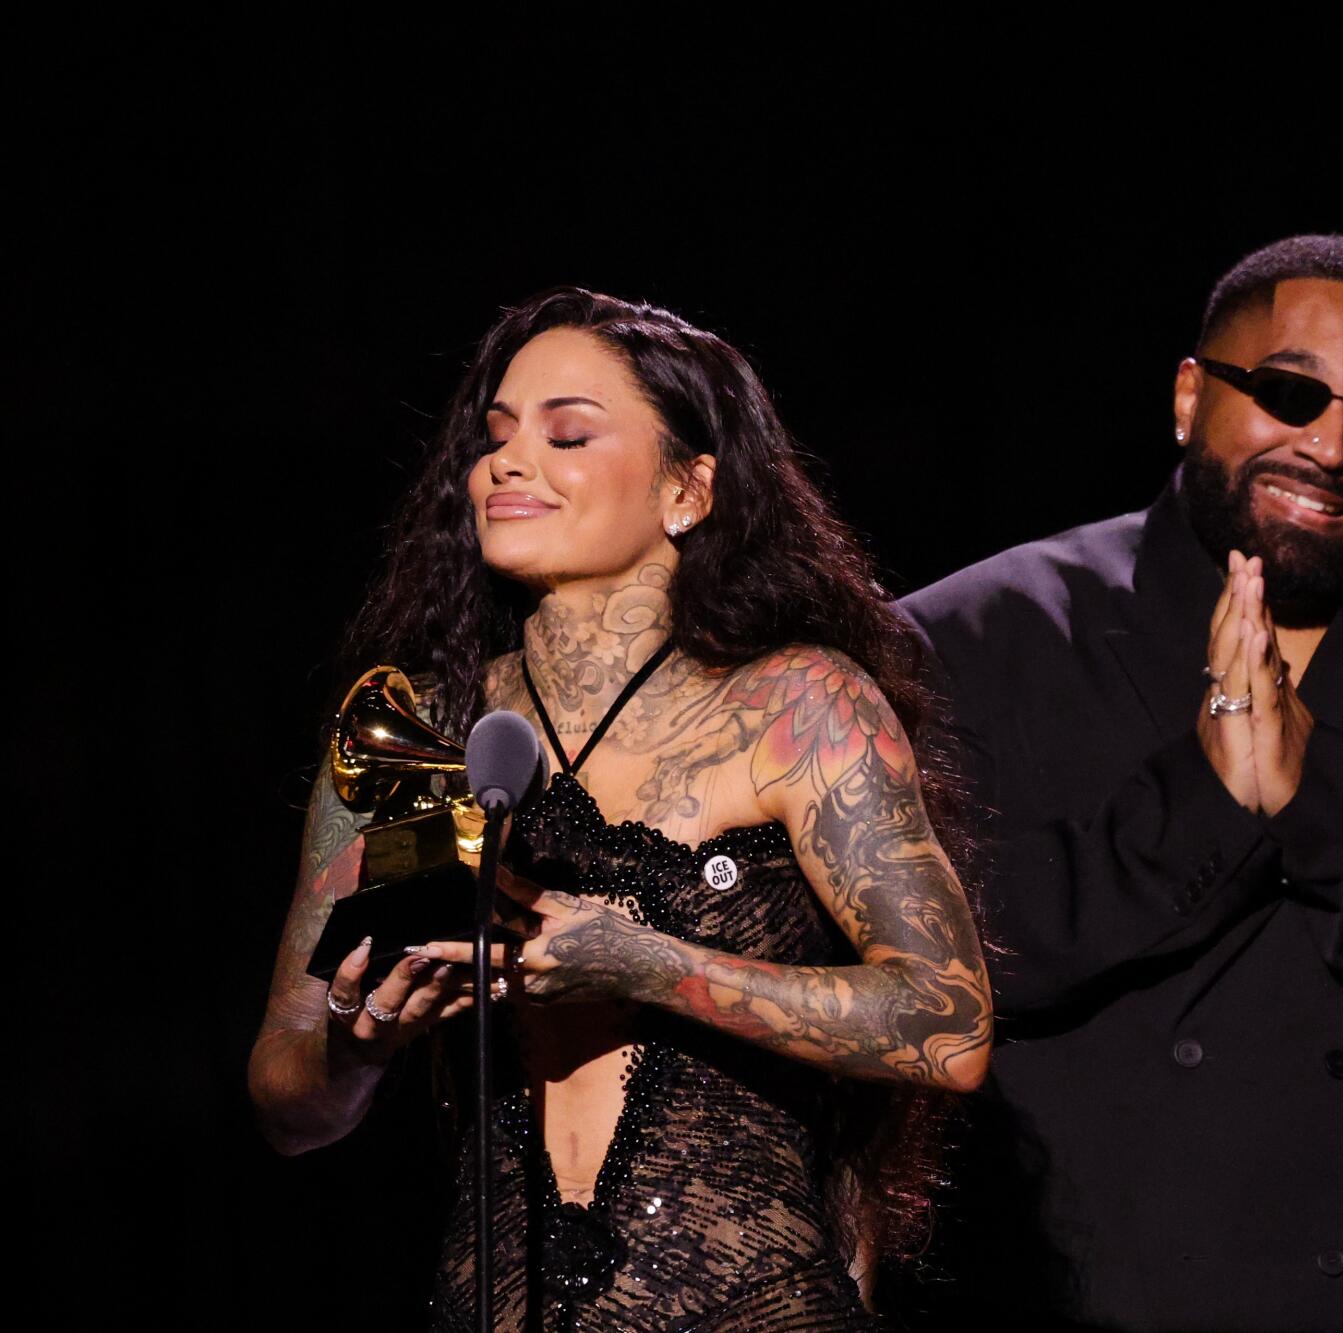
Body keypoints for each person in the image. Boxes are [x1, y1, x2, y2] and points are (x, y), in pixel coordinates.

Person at [900, 235, 1343, 1330]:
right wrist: (1204, 794)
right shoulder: (971, 639)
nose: (1328, 445)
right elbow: (933, 960)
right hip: (1070, 1288)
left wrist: (1319, 802)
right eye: (1287, 393)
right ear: (1190, 396)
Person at [247, 288, 993, 1332]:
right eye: (494, 436)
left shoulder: (796, 703)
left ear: (687, 489)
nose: (506, 462)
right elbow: (288, 1099)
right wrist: (358, 1048)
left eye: (567, 433)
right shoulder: (412, 726)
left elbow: (947, 1026)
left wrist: (652, 965)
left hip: (750, 1304)